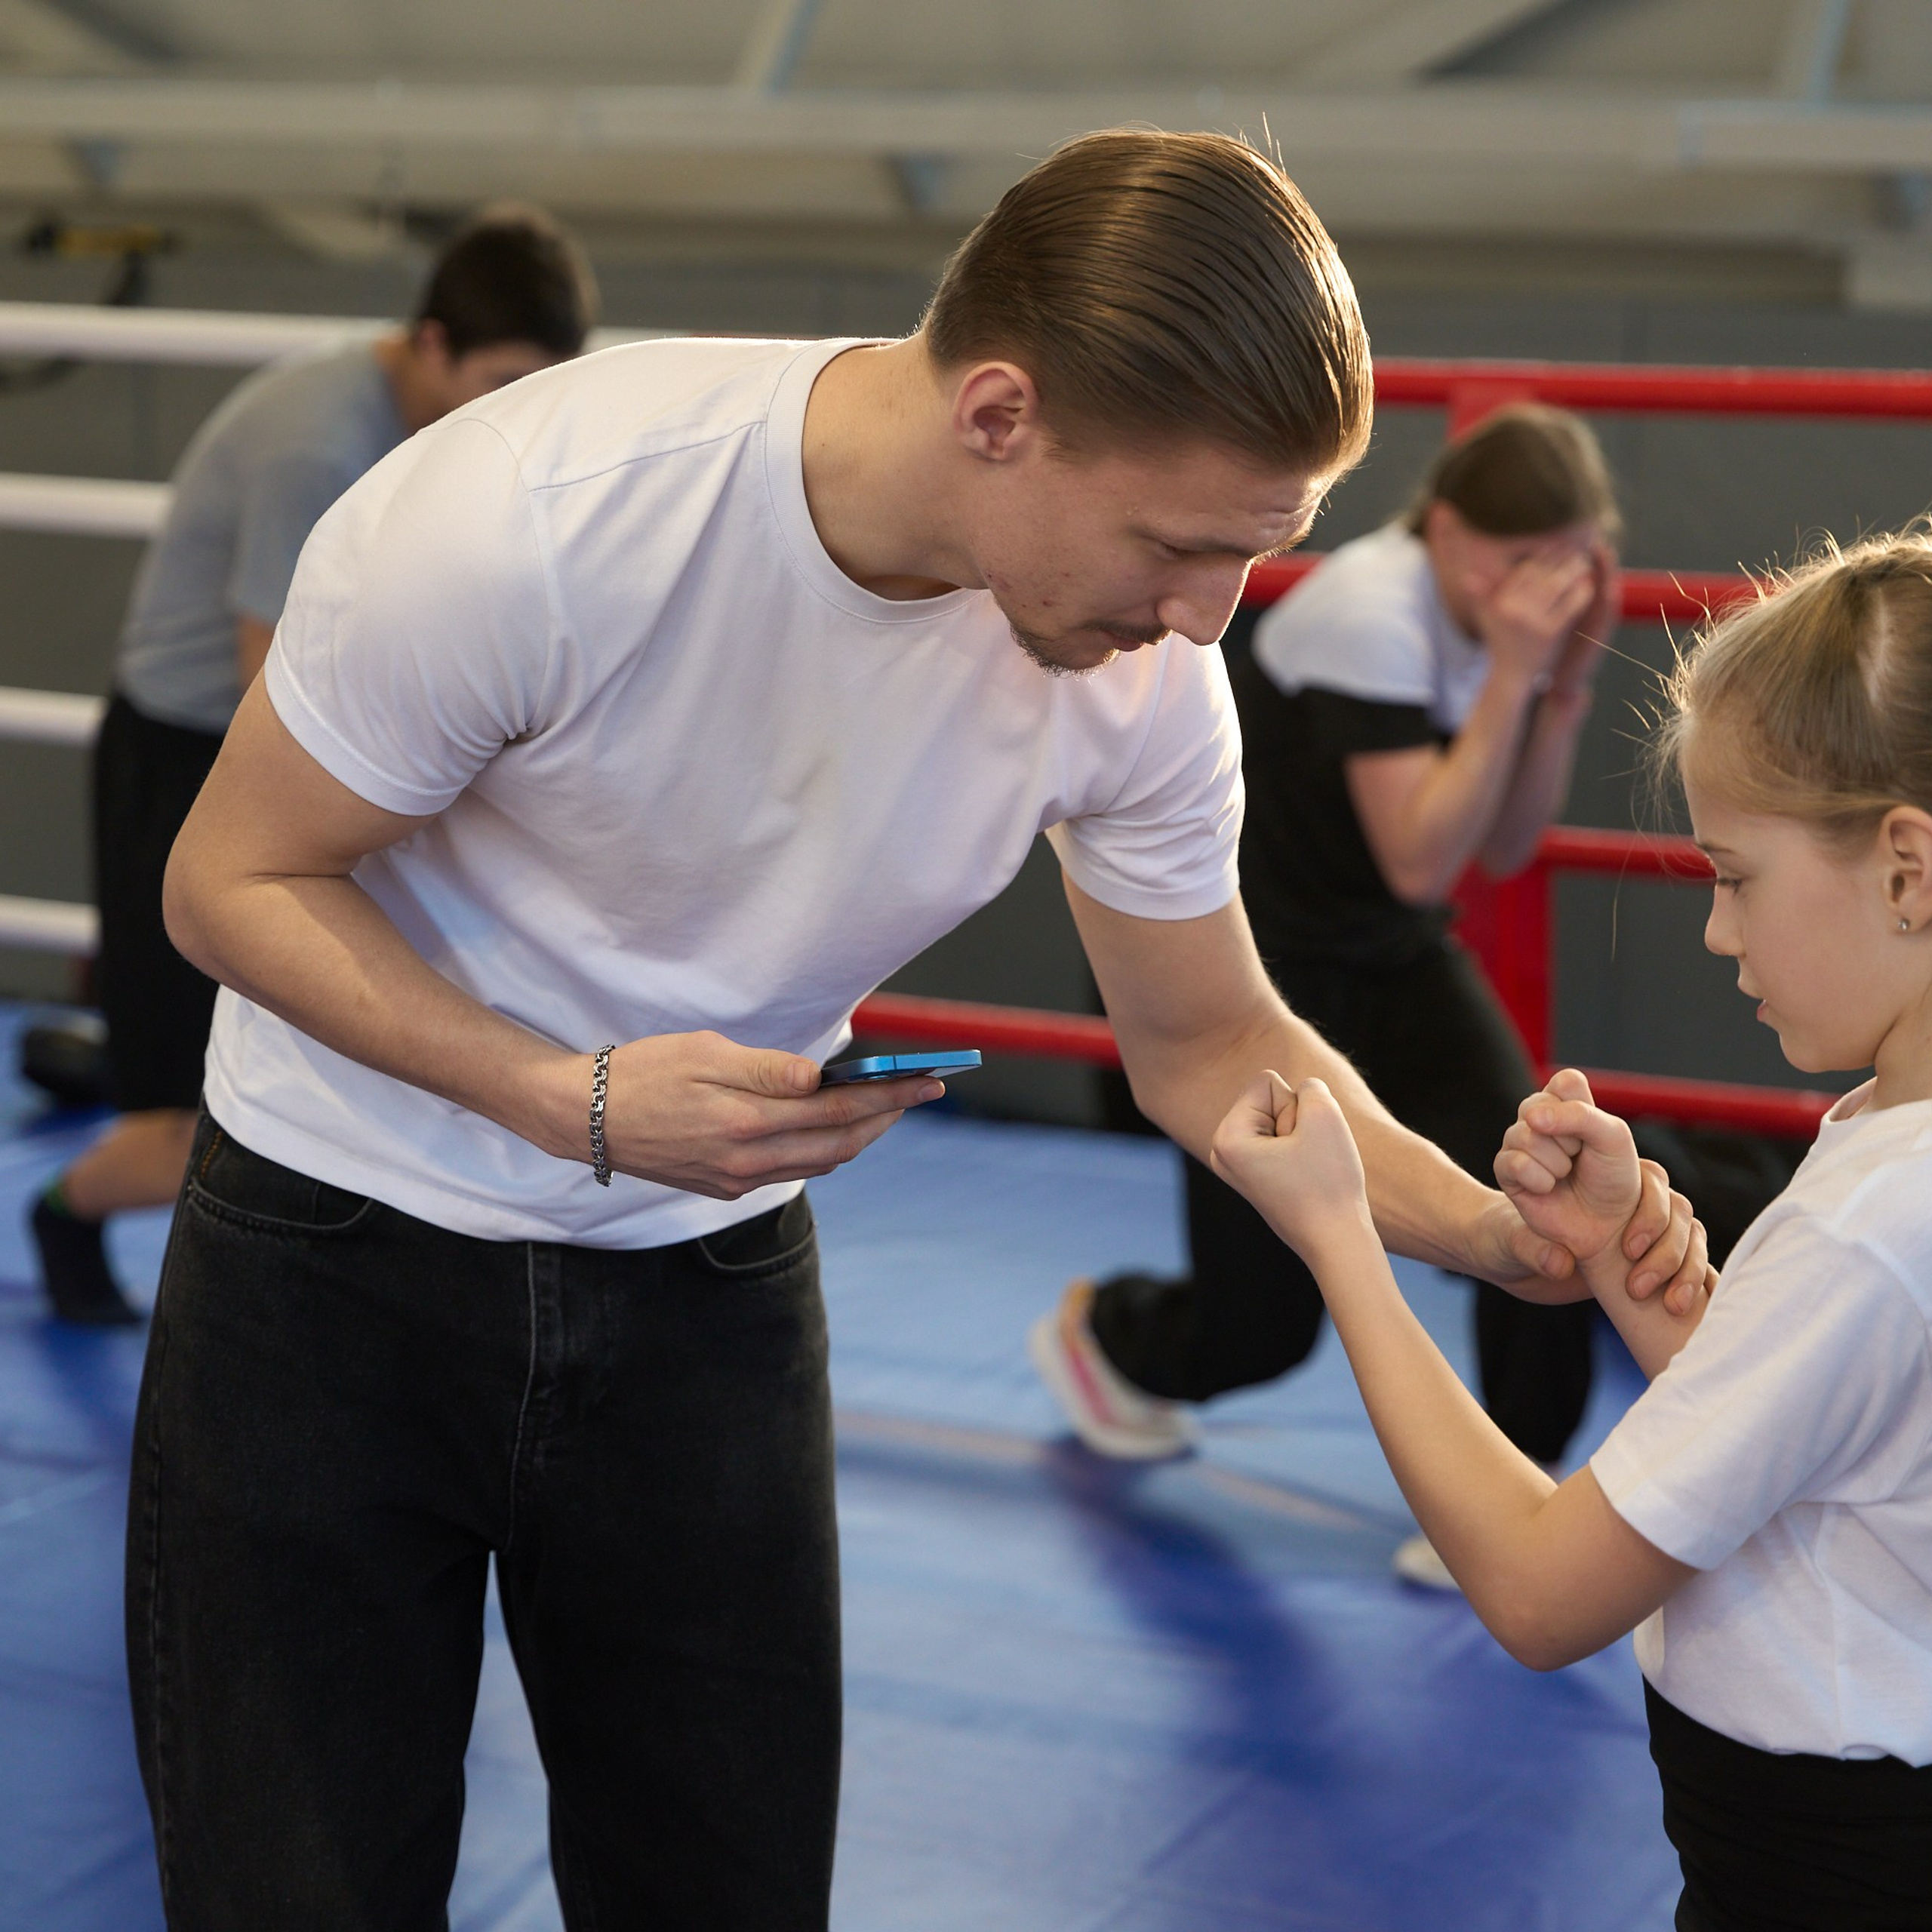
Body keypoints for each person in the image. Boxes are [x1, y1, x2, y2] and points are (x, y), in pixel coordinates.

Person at [143, 132, 1706, 1928]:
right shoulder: (537, 518)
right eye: (1176, 545)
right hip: (335, 1252)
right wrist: (562, 1096)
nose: (1202, 617)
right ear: (996, 414)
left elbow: (1211, 1041)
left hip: (707, 1285)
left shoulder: (1146, 671)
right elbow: (229, 878)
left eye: (1249, 556)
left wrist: (1489, 1233)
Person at [1211, 531, 1932, 1930]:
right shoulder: (1887, 1158)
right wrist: (1644, 1286)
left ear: (1907, 868)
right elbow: (1849, 1445)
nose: (1718, 932)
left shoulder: (1869, 1224)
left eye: (1737, 876)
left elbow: (1541, 1595)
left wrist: (1341, 1237)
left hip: (1829, 1866)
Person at [1032, 405, 1621, 1584]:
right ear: (1445, 531)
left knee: (1534, 1183)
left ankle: (1516, 1495)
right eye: (1516, 562)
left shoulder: (1494, 625)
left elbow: (1504, 848)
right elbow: (1421, 856)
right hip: (1254, 971)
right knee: (1261, 1328)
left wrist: (1557, 689)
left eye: (1563, 565)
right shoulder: (1370, 609)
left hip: (1391, 954)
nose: (1537, 592)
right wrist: (1515, 673)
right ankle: (1110, 1331)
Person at [29, 204, 597, 1324]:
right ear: (431, 344)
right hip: (196, 757)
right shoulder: (320, 448)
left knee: (342, 1060)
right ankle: (66, 1208)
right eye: (498, 382)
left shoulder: (450, 430)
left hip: (298, 739)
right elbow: (276, 693)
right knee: (200, 1109)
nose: (515, 413)